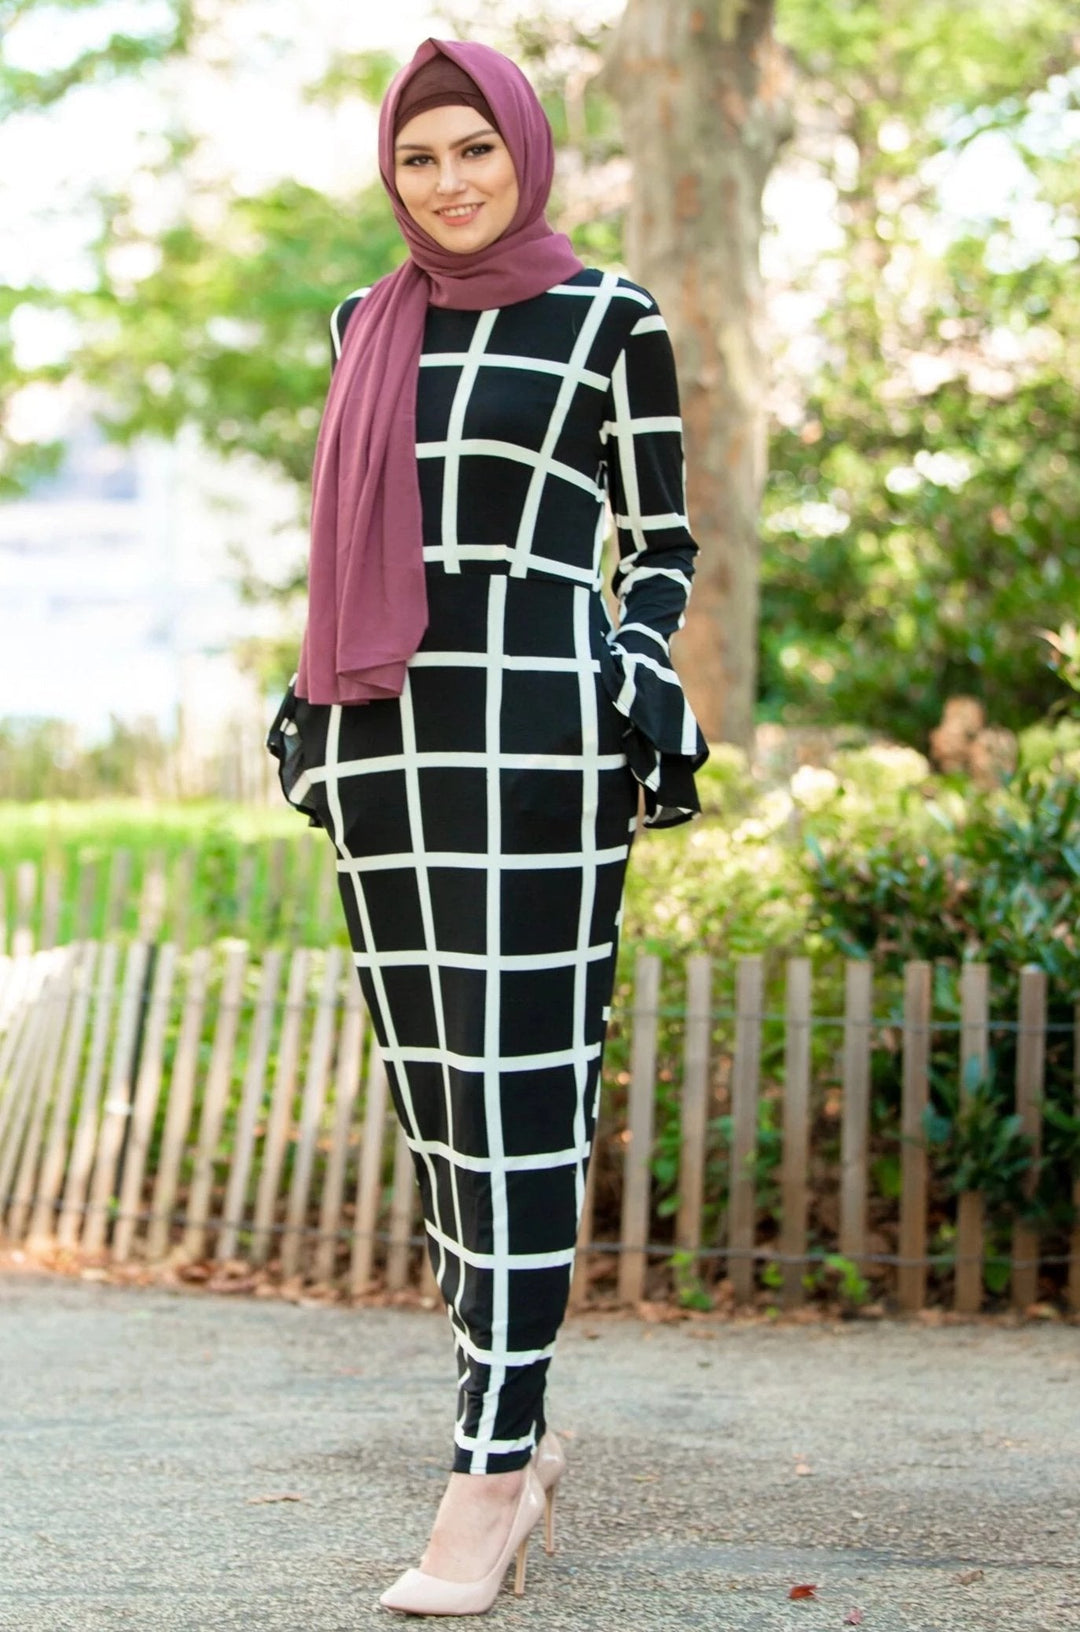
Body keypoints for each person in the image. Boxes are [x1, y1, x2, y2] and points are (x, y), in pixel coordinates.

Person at [267, 35, 707, 1617]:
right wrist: (307, 707)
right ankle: (511, 1420)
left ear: (526, 148)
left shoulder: (608, 319)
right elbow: (344, 541)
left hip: (536, 732)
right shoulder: (360, 322)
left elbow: (660, 547)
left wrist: (626, 667)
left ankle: (488, 1467)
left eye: (474, 150)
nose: (448, 183)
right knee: (439, 1090)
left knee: (525, 1086)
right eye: (418, 157)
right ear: (393, 174)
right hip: (382, 735)